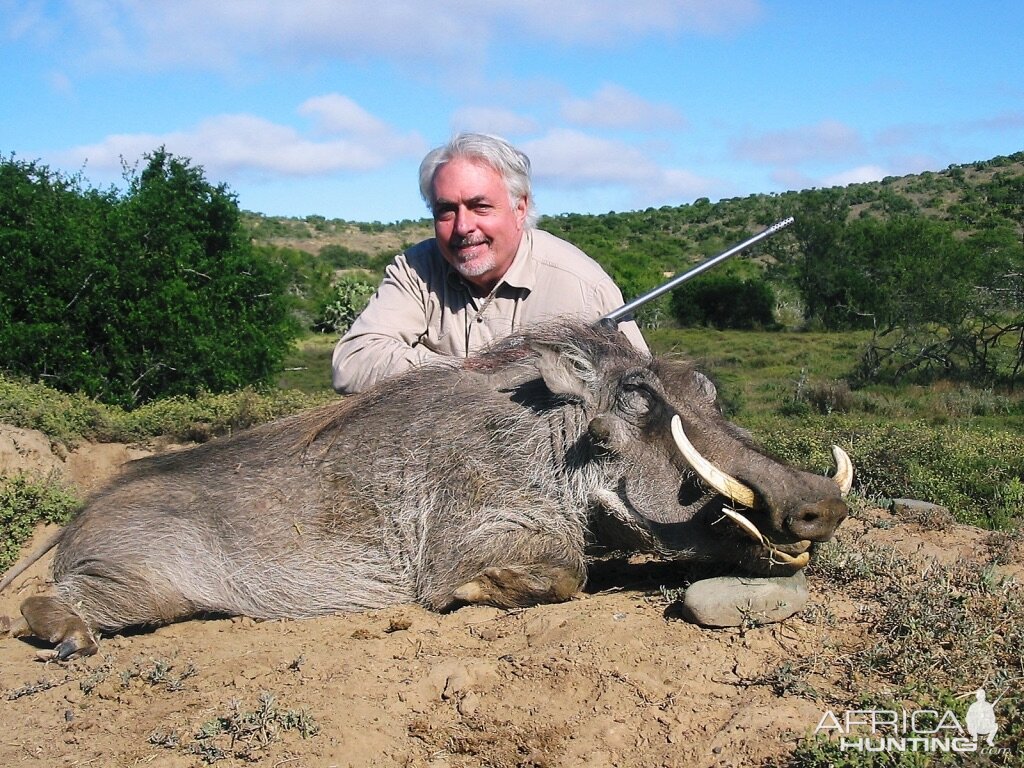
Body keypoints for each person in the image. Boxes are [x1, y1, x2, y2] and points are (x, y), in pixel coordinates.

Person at [331, 132, 648, 394]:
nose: (462, 227)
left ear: (520, 208)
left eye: (480, 206)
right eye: (446, 210)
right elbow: (352, 363)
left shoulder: (585, 287)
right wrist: (473, 370)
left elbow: (642, 394)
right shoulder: (415, 271)